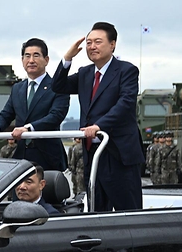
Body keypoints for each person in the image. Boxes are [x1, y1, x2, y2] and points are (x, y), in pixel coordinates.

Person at [52, 22, 143, 211]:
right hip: (92, 153)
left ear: (112, 44)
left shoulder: (126, 71)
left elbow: (125, 104)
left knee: (128, 211)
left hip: (118, 153)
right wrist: (67, 58)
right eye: (89, 42)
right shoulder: (85, 73)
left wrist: (98, 126)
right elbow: (58, 87)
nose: (92, 46)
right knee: (96, 210)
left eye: (98, 42)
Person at [0, 38, 69, 171]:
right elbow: (6, 114)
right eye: (27, 56)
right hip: (21, 156)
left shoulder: (57, 87)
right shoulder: (17, 88)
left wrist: (29, 129)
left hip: (48, 157)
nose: (31, 60)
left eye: (36, 55)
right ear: (22, 60)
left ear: (46, 60)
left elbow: (56, 116)